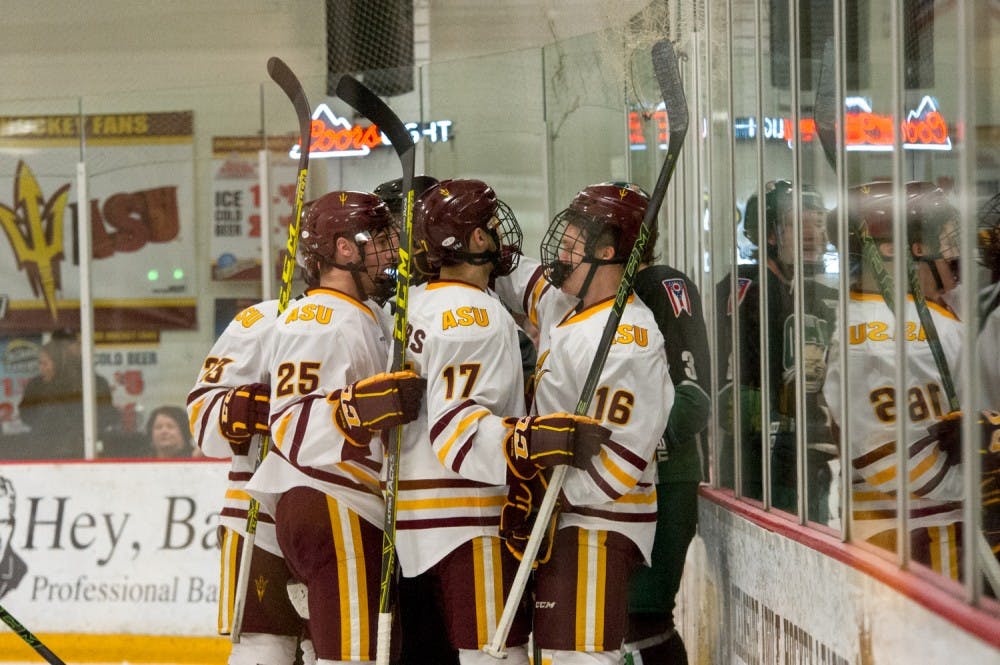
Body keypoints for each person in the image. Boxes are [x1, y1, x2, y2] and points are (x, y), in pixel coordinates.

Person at [494, 182, 673, 665]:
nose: (559, 251)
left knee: (580, 659)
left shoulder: (627, 339)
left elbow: (619, 462)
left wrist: (547, 500)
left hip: (597, 526)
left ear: (607, 251)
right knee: (555, 656)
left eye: (572, 242)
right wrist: (483, 243)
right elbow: (520, 280)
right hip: (568, 524)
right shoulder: (574, 309)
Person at [245, 190, 424, 664]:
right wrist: (356, 410)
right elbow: (292, 425)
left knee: (359, 651)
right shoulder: (319, 318)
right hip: (331, 500)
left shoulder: (363, 314)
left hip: (344, 504)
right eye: (381, 239)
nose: (392, 252)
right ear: (345, 248)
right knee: (355, 658)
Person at [393, 178, 553, 665]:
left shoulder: (415, 304)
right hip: (470, 515)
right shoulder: (474, 314)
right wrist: (531, 443)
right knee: (494, 656)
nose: (498, 232)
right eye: (489, 224)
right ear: (477, 239)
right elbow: (459, 431)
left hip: (416, 514)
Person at [822, 181, 964, 580]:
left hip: (895, 529)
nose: (950, 252)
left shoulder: (874, 316)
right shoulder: (889, 334)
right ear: (894, 251)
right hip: (922, 533)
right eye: (940, 239)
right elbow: (895, 463)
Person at [187, 294, 312, 663]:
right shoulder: (262, 319)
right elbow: (202, 419)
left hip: (351, 508)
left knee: (333, 647)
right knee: (263, 645)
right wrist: (237, 407)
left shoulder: (383, 319)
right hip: (257, 514)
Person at [372, 174, 460, 665]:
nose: (387, 247)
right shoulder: (371, 306)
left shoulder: (464, 304)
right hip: (388, 501)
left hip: (453, 500)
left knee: (441, 638)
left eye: (393, 231)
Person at [715, 180, 838, 522]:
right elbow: (729, 389)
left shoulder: (809, 294)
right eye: (801, 223)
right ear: (770, 234)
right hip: (759, 462)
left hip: (802, 458)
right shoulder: (748, 288)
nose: (815, 234)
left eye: (818, 221)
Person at [624, 245, 712, 663]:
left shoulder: (660, 284)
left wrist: (629, 445)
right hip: (634, 477)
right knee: (628, 619)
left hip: (665, 476)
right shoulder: (615, 292)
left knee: (644, 619)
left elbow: (692, 399)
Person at [18, 336, 118, 459]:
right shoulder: (36, 385)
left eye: (45, 363)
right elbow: (26, 414)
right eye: (39, 363)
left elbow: (105, 415)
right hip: (44, 452)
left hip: (81, 451)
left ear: (60, 362)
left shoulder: (91, 383)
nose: (41, 368)